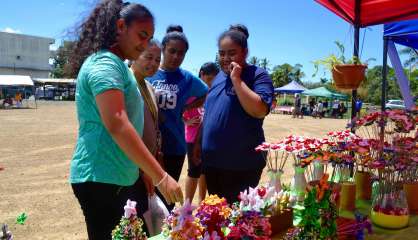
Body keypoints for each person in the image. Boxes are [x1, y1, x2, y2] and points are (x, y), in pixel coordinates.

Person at [68, 2, 183, 239]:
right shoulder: (105, 63)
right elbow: (118, 122)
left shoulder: (117, 65)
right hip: (101, 178)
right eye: (142, 35)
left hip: (116, 177)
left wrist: (144, 170)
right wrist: (161, 176)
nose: (144, 43)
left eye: (149, 37)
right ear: (120, 26)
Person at [201, 24, 274, 203]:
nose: (225, 58)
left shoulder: (257, 75)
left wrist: (236, 79)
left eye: (231, 53)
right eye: (222, 53)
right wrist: (197, 145)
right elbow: (209, 113)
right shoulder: (218, 77)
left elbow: (259, 110)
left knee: (237, 221)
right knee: (216, 217)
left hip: (242, 166)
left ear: (245, 52)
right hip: (213, 164)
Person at [146, 25, 208, 209]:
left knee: (167, 199)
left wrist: (187, 107)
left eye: (181, 53)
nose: (176, 57)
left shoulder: (187, 79)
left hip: (174, 147)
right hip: (147, 146)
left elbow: (207, 93)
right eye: (172, 51)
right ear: (163, 49)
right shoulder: (149, 73)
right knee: (145, 196)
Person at [129, 39, 163, 224]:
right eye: (148, 57)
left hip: (147, 164)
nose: (154, 63)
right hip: (132, 167)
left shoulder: (149, 87)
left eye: (158, 60)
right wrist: (144, 169)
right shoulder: (127, 84)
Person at [183, 62, 219, 203]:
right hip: (192, 138)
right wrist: (185, 122)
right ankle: (187, 205)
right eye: (209, 79)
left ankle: (202, 201)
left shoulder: (210, 93)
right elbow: (179, 110)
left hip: (207, 139)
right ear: (202, 74)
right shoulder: (192, 92)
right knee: (193, 172)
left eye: (214, 80)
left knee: (204, 172)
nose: (211, 83)